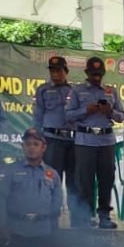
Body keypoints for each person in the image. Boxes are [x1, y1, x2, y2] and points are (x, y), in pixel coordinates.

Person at [66, 55, 124, 228]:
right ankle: (86, 216)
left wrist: (110, 112)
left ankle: (104, 215)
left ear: (103, 73)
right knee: (85, 180)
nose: (96, 77)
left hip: (106, 140)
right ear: (87, 73)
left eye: (99, 74)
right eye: (93, 74)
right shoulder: (77, 91)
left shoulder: (111, 91)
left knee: (107, 178)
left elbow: (121, 116)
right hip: (85, 140)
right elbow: (68, 115)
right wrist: (86, 110)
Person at [32, 55, 76, 213]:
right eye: (52, 71)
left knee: (73, 180)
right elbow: (37, 116)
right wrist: (39, 140)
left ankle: (77, 215)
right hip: (52, 140)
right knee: (51, 178)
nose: (55, 74)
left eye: (58, 70)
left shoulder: (74, 90)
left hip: (72, 140)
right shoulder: (43, 90)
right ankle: (50, 214)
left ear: (66, 71)